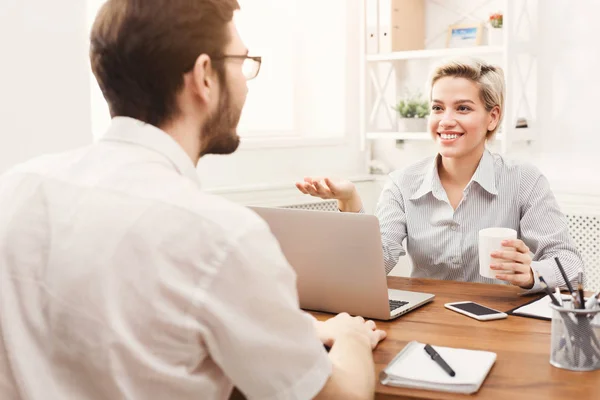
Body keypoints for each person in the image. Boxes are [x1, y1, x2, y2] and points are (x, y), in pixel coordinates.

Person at [0, 1, 386, 399]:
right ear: (204, 75)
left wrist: (293, 325)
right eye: (243, 62)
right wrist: (351, 337)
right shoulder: (219, 236)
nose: (247, 81)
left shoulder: (17, 188)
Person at [297, 57, 583, 293]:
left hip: (503, 321)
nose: (445, 120)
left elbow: (570, 264)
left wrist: (532, 273)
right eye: (437, 107)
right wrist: (350, 201)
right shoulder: (401, 184)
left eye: (463, 108)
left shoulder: (524, 180)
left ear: (492, 117)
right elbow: (374, 264)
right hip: (429, 319)